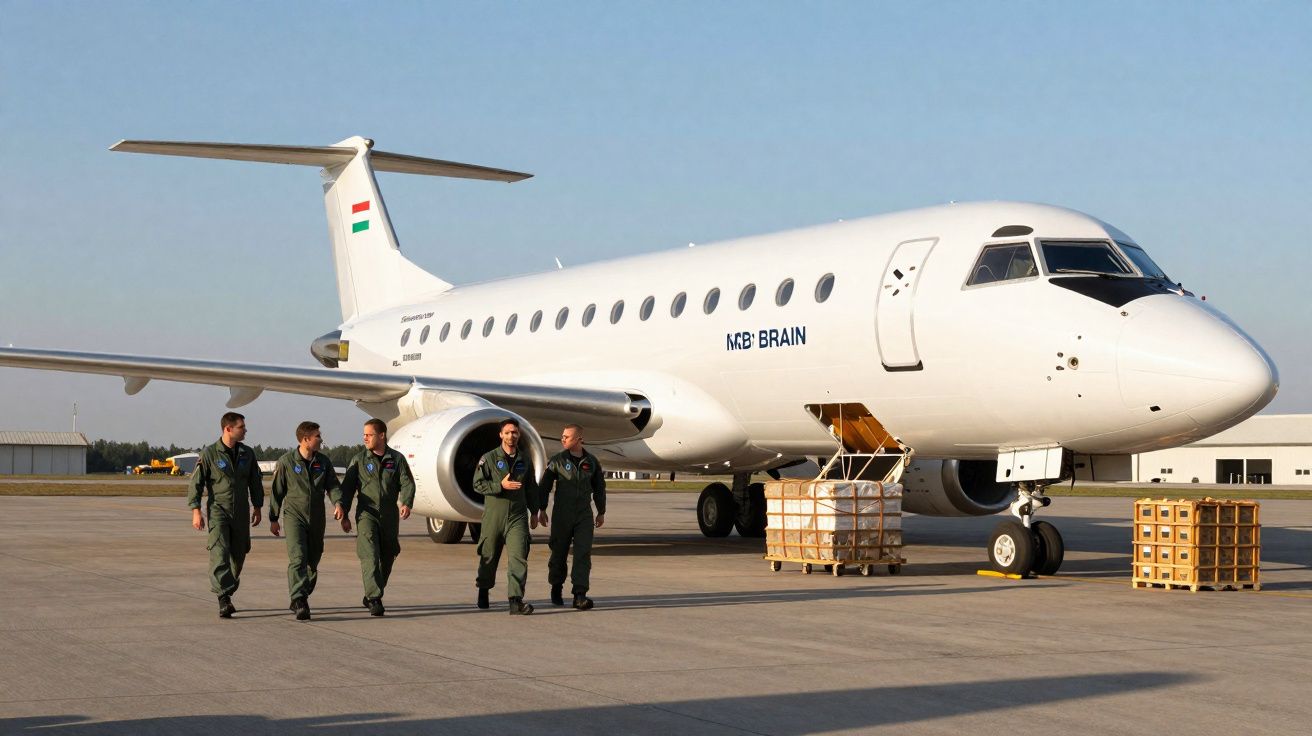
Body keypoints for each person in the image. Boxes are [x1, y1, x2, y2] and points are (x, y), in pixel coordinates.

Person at [188, 412, 263, 618]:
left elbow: (255, 482)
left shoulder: (248, 453)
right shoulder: (210, 453)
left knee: (239, 554)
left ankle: (227, 589)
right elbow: (196, 483)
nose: (245, 430)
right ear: (228, 429)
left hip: (240, 511)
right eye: (242, 427)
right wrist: (196, 511)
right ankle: (223, 598)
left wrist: (257, 507)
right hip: (218, 510)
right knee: (219, 553)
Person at [269, 421, 346, 621]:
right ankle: (299, 599)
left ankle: (301, 592)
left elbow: (333, 485)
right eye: (317, 436)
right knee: (298, 557)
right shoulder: (286, 462)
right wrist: (273, 518)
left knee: (313, 559)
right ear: (306, 439)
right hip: (295, 516)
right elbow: (277, 492)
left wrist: (338, 503)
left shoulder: (324, 462)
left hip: (317, 516)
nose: (321, 439)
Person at [338, 418, 415, 617]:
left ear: (381, 435)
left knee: (389, 555)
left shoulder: (396, 459)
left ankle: (372, 590)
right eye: (364, 434)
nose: (365, 438)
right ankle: (374, 598)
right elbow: (347, 489)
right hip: (367, 514)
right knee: (370, 554)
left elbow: (407, 483)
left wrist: (406, 502)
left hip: (389, 515)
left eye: (369, 434)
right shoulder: (359, 460)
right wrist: (344, 513)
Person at [473, 418, 540, 615]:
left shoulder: (525, 459)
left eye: (515, 433)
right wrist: (499, 487)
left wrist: (535, 511)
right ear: (501, 435)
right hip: (495, 515)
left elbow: (531, 487)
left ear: (519, 435)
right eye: (508, 432)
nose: (512, 436)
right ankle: (483, 589)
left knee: (519, 557)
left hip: (517, 517)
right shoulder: (489, 458)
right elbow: (477, 484)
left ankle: (515, 600)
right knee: (489, 556)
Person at [538, 424, 606, 610]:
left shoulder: (591, 462)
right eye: (562, 436)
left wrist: (601, 511)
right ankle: (556, 586)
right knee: (559, 553)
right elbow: (544, 486)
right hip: (562, 514)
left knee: (583, 553)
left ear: (578, 439)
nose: (563, 439)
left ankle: (579, 595)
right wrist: (541, 508)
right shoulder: (557, 461)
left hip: (584, 514)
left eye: (567, 437)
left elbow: (599, 488)